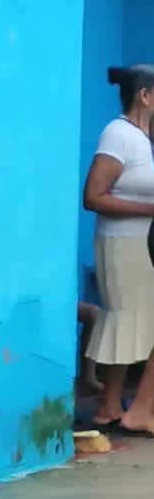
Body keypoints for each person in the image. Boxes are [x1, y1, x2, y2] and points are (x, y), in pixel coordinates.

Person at [83, 64, 154, 435]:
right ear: (144, 95)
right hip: (121, 245)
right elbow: (93, 196)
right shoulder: (119, 134)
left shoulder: (141, 138)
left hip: (137, 245)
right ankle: (135, 411)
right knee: (127, 319)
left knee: (129, 324)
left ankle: (109, 406)